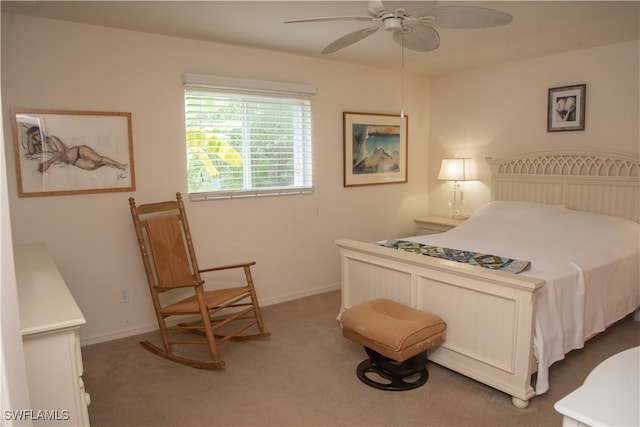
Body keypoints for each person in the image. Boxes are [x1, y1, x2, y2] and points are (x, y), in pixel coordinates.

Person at [24, 126, 127, 173]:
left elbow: (61, 152)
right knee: (92, 167)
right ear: (33, 138)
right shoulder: (39, 147)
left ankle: (120, 165)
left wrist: (49, 162)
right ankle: (108, 163)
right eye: (36, 136)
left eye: (39, 133)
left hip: (77, 151)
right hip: (73, 161)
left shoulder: (52, 139)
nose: (39, 136)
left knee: (98, 159)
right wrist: (29, 138)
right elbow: (31, 152)